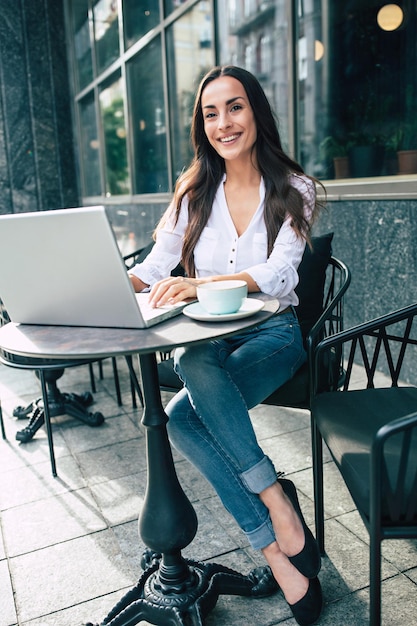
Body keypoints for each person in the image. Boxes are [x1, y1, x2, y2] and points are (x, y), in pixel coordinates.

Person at [128, 65, 324, 625]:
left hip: (272, 334)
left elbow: (282, 274)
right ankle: (274, 523)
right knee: (185, 396)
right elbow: (155, 265)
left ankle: (273, 520)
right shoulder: (193, 189)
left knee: (185, 412)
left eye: (234, 107)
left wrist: (201, 285)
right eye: (210, 113)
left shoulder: (296, 189)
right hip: (206, 338)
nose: (223, 123)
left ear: (256, 111)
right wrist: (115, 283)